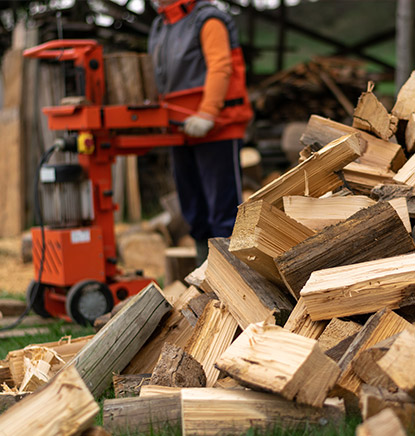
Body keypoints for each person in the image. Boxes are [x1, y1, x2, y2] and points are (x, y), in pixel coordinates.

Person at [148, 0, 253, 265]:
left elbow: (221, 67)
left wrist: (207, 112)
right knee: (193, 209)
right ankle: (204, 273)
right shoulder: (161, 25)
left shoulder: (208, 20)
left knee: (224, 213)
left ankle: (233, 279)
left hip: (217, 126)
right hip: (179, 129)